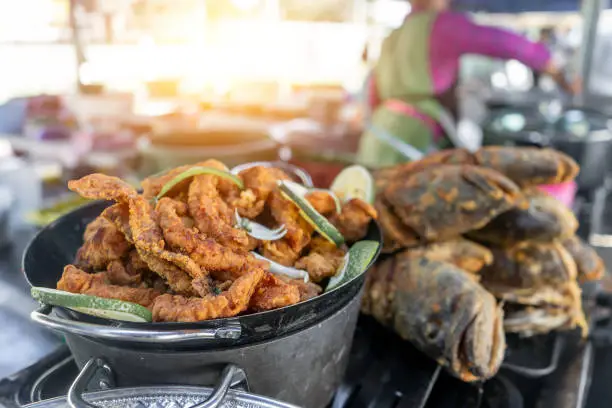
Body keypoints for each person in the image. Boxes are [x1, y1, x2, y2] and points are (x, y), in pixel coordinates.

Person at [357, 0, 580, 168]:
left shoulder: (393, 35)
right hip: (413, 136)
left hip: (378, 135)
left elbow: (373, 93)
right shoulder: (441, 25)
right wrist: (555, 70)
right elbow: (504, 42)